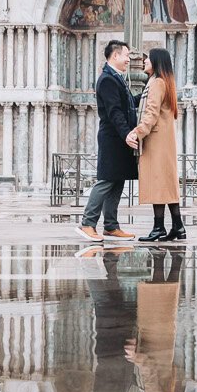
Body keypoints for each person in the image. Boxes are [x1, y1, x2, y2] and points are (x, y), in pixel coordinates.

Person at [78, 38, 139, 241]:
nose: (129, 59)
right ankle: (87, 222)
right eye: (127, 55)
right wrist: (127, 134)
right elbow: (114, 112)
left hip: (119, 139)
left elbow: (128, 103)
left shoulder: (116, 78)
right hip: (113, 138)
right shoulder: (107, 80)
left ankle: (111, 225)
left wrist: (147, 96)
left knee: (117, 181)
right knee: (105, 181)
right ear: (115, 55)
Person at [132, 46, 185, 243]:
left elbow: (151, 113)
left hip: (156, 141)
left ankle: (159, 227)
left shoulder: (156, 83)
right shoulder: (165, 82)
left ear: (156, 62)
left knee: (158, 183)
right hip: (164, 140)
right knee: (166, 184)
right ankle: (178, 226)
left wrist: (138, 133)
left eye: (148, 59)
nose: (145, 61)